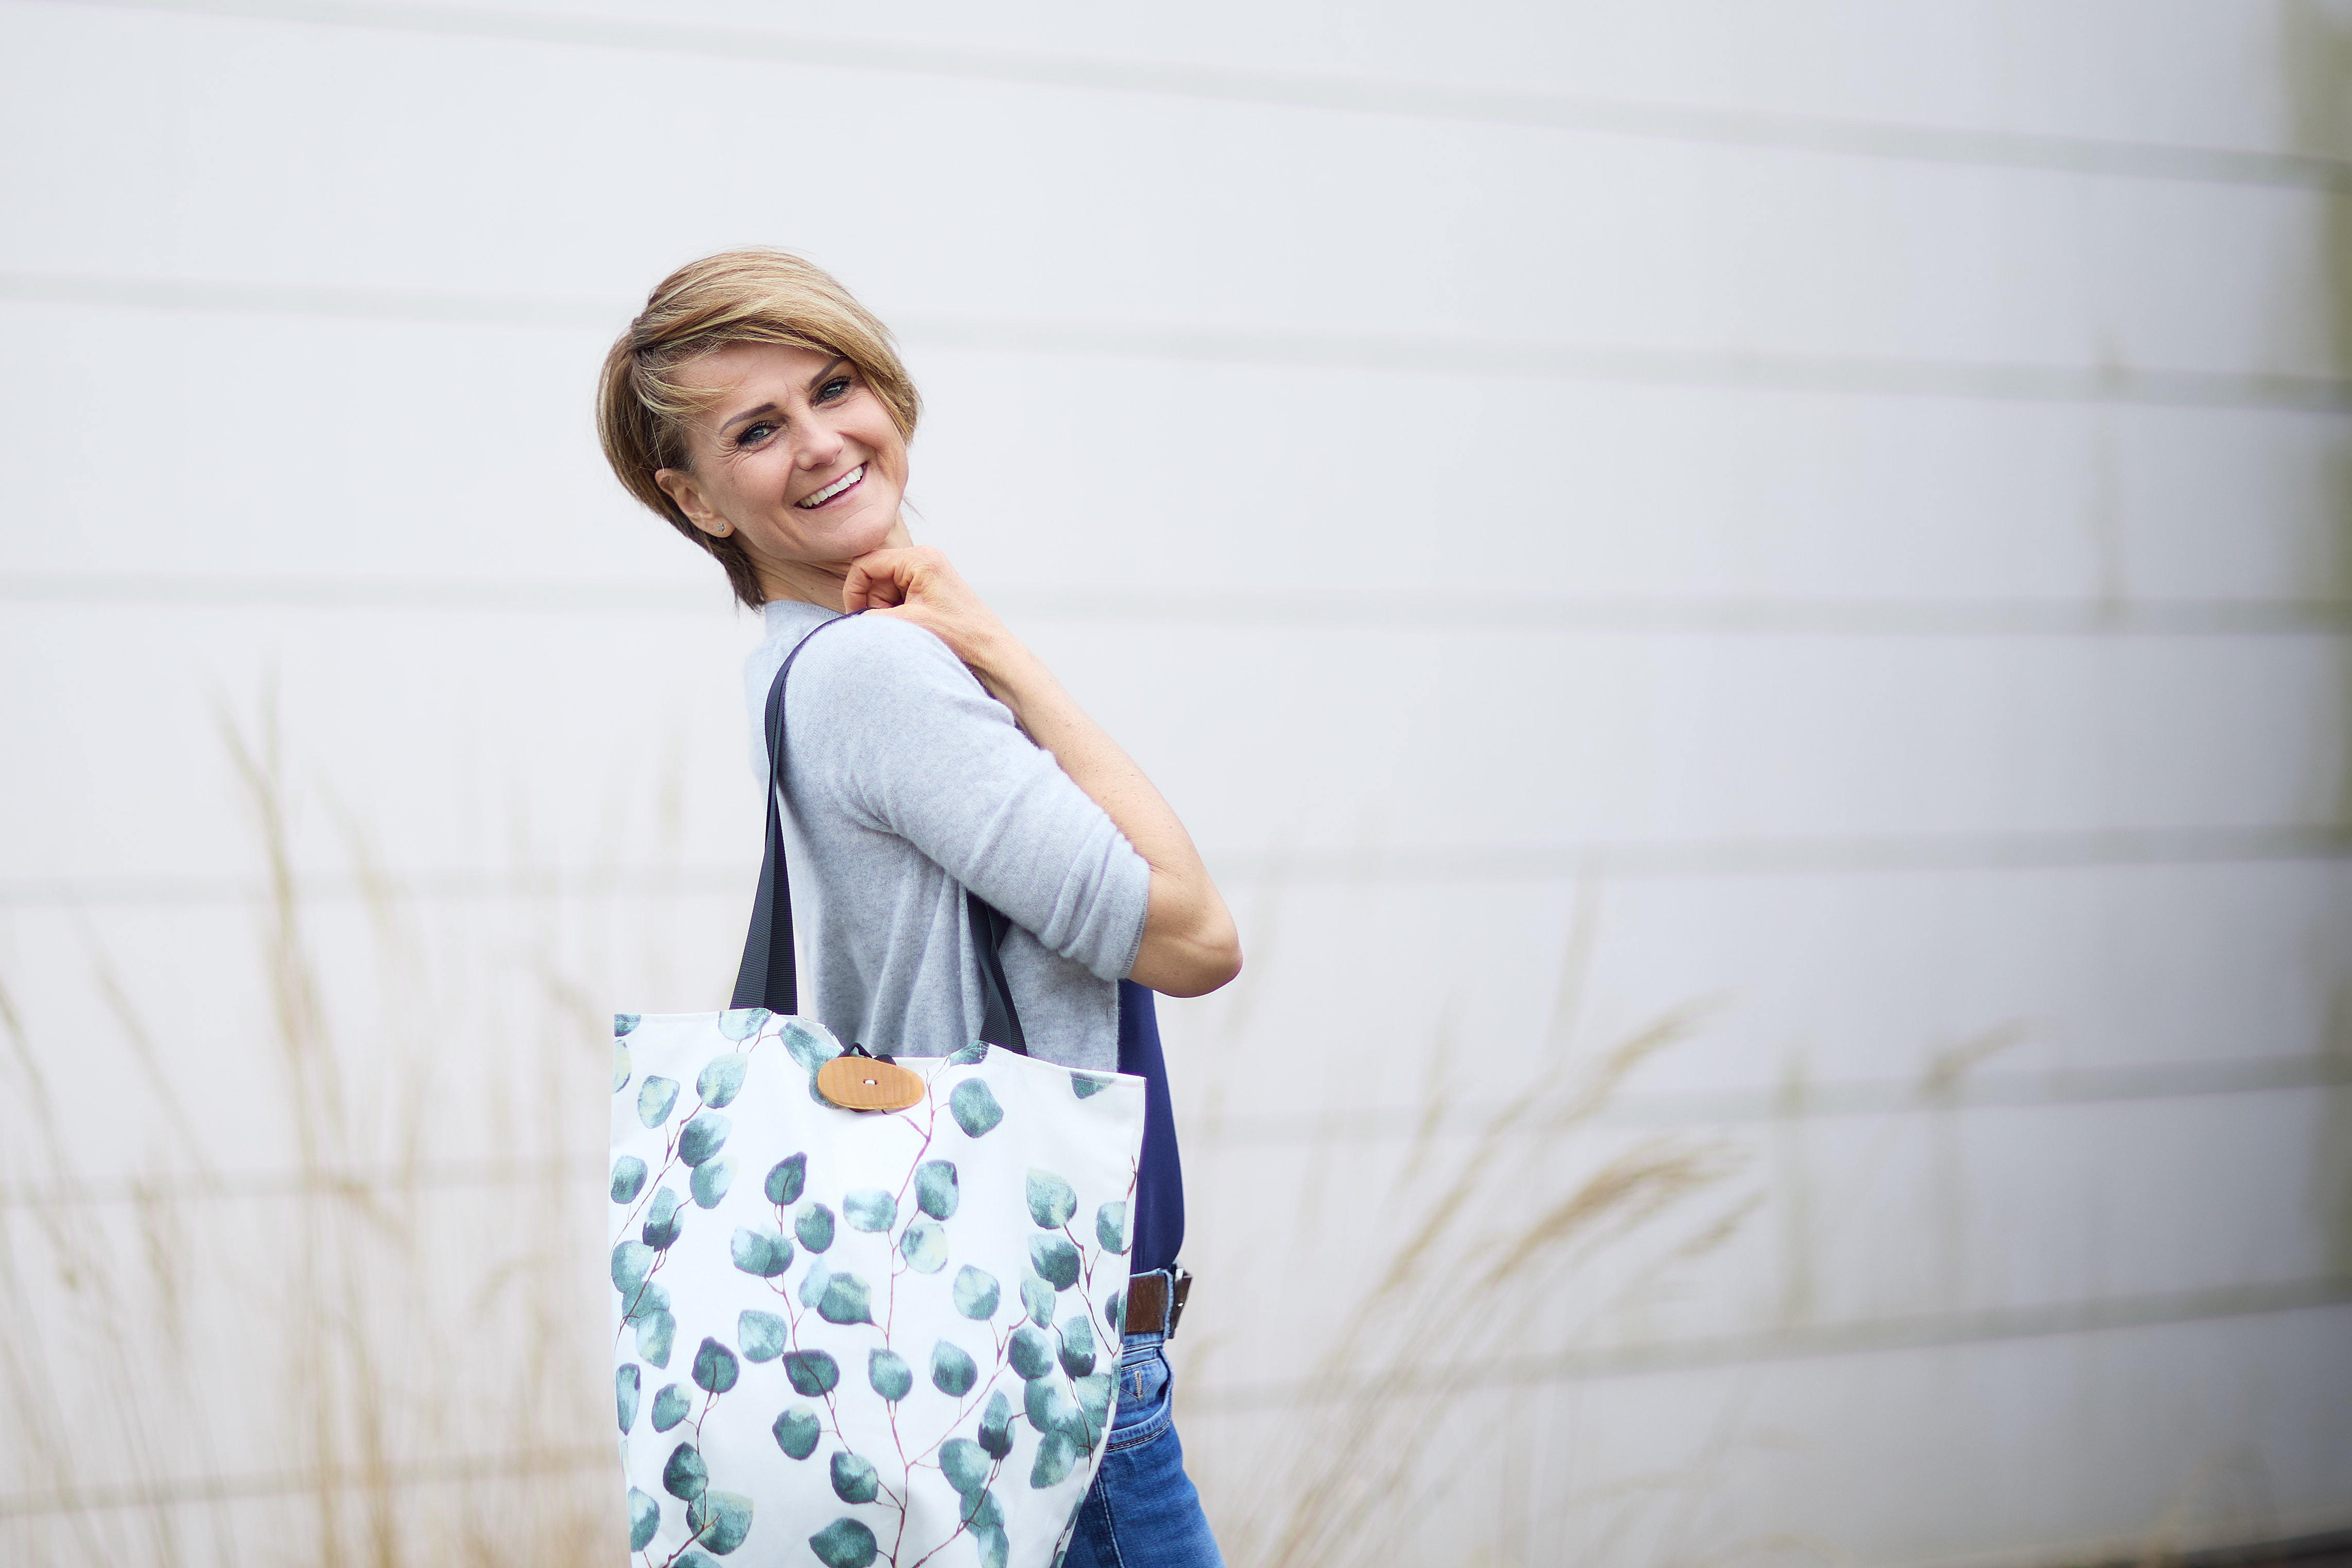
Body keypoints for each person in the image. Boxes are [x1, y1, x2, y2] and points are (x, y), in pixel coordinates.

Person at [597, 248, 1241, 1568]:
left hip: (966, 1369)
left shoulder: (790, 666)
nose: (822, 441)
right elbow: (1193, 937)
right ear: (695, 497)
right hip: (1054, 1377)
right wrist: (1000, 648)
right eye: (756, 429)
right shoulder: (880, 670)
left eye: (834, 385)